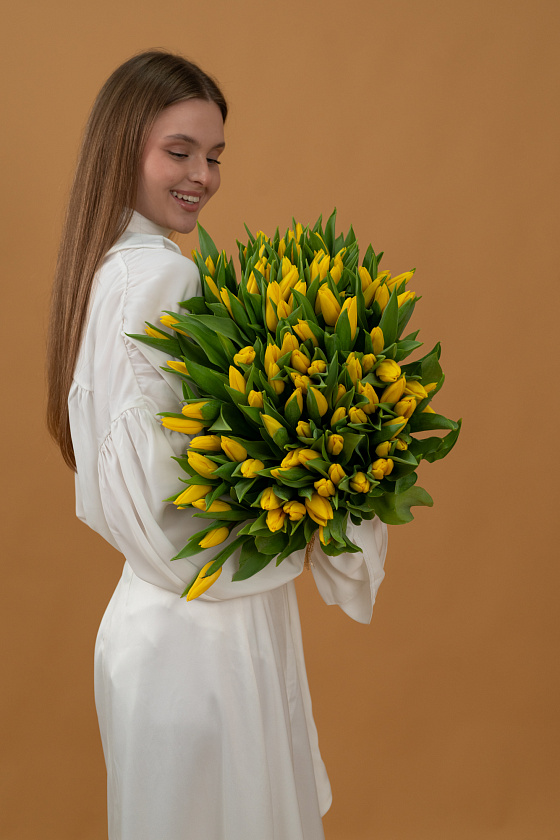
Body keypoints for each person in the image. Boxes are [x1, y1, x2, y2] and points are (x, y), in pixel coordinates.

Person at [46, 49, 388, 840]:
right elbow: (170, 519)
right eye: (179, 152)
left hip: (157, 633)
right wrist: (319, 502)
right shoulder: (159, 280)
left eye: (215, 156)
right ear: (124, 148)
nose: (201, 175)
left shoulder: (110, 272)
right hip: (202, 644)